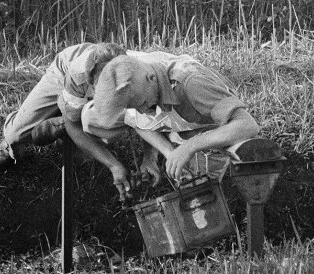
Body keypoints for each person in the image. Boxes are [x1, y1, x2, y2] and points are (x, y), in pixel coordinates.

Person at [77, 54, 260, 201]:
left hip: (210, 129)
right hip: (179, 125)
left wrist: (190, 147)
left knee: (205, 200)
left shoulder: (192, 83)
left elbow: (247, 125)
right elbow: (138, 122)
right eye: (135, 107)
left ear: (151, 78)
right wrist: (168, 152)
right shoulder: (138, 88)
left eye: (141, 103)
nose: (141, 110)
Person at [0, 42, 127, 170]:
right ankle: (13, 138)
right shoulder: (78, 74)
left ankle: (62, 125)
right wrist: (69, 121)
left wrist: (148, 160)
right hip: (63, 72)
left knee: (80, 159)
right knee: (16, 134)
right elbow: (73, 122)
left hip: (90, 87)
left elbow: (146, 117)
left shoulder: (139, 74)